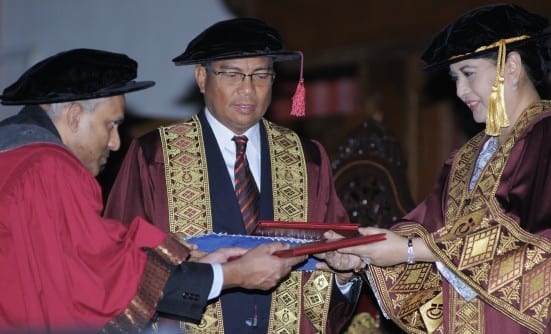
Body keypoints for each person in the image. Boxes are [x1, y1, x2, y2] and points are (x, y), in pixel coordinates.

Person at [0, 48, 307, 332]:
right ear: (74, 116)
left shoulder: (15, 160)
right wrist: (232, 275)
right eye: (110, 125)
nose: (115, 143)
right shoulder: (49, 169)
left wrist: (187, 264)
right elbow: (98, 285)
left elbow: (94, 257)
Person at [104, 18, 360, 333]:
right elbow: (119, 266)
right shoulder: (154, 156)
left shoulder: (306, 159)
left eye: (261, 75)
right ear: (201, 78)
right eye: (232, 74)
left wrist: (346, 277)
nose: (248, 89)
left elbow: (333, 261)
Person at [318, 3, 551, 334]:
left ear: (511, 66)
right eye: (454, 78)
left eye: (468, 74)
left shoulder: (545, 136)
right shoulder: (466, 158)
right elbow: (425, 234)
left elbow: (536, 243)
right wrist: (364, 256)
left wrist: (412, 250)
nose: (459, 91)